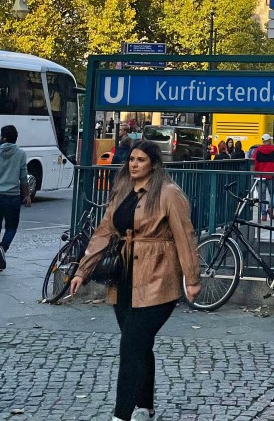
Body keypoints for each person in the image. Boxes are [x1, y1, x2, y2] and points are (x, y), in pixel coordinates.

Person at [69, 140, 201, 421]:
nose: (134, 164)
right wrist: (82, 271)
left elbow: (185, 236)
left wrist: (192, 278)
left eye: (141, 160)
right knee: (139, 345)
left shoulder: (168, 193)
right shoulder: (122, 191)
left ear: (153, 164)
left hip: (157, 279)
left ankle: (121, 415)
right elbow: (104, 232)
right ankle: (145, 405)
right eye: (131, 159)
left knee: (131, 347)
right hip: (124, 279)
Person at [0, 124, 30, 272]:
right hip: (13, 196)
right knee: (11, 227)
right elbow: (23, 177)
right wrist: (27, 195)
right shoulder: (21, 154)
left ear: (3, 138)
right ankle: (2, 248)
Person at [252, 133, 274, 221]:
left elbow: (254, 162)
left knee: (262, 196)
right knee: (273, 193)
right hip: (271, 175)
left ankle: (263, 215)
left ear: (263, 141)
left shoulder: (258, 150)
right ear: (269, 140)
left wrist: (255, 173)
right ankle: (270, 207)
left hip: (260, 175)